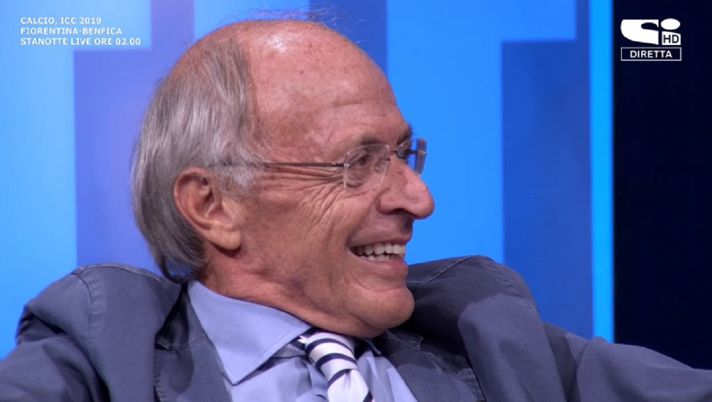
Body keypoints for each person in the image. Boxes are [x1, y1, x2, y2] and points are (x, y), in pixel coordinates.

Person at [1, 19, 711, 402]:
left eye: (403, 154)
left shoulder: (489, 337)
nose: (417, 199)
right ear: (213, 206)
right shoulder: (100, 361)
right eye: (358, 162)